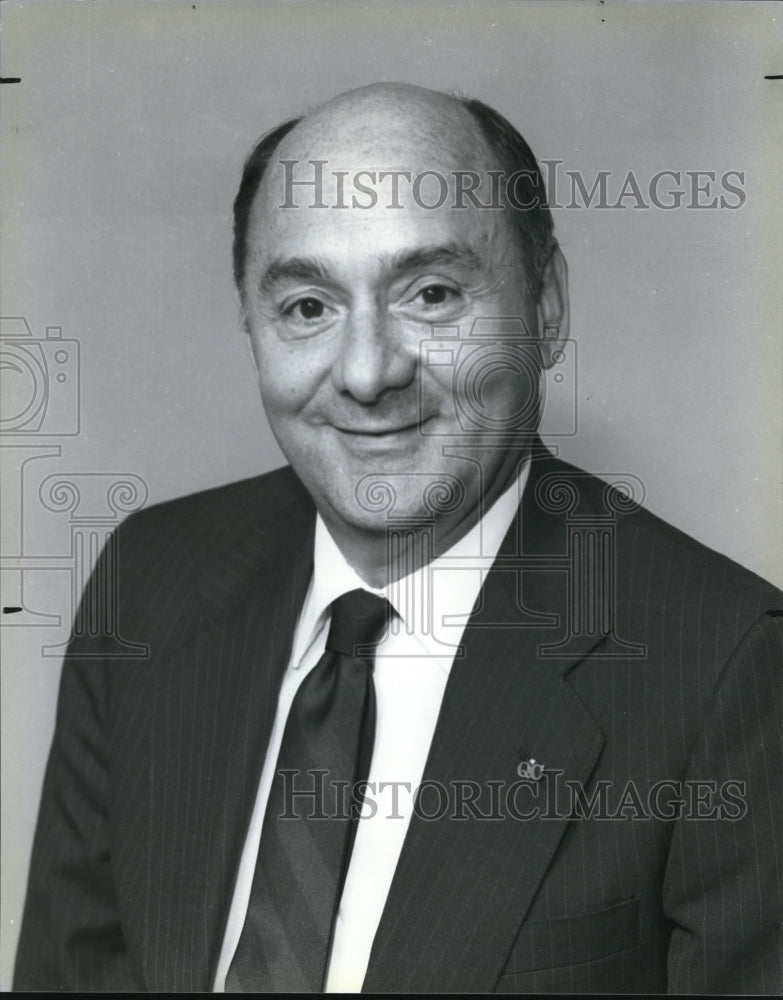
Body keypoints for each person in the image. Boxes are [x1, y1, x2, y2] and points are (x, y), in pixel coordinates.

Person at [14, 83, 782, 994]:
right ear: (252, 327)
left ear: (544, 308)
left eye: (430, 293)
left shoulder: (728, 666)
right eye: (308, 306)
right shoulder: (149, 579)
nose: (369, 371)